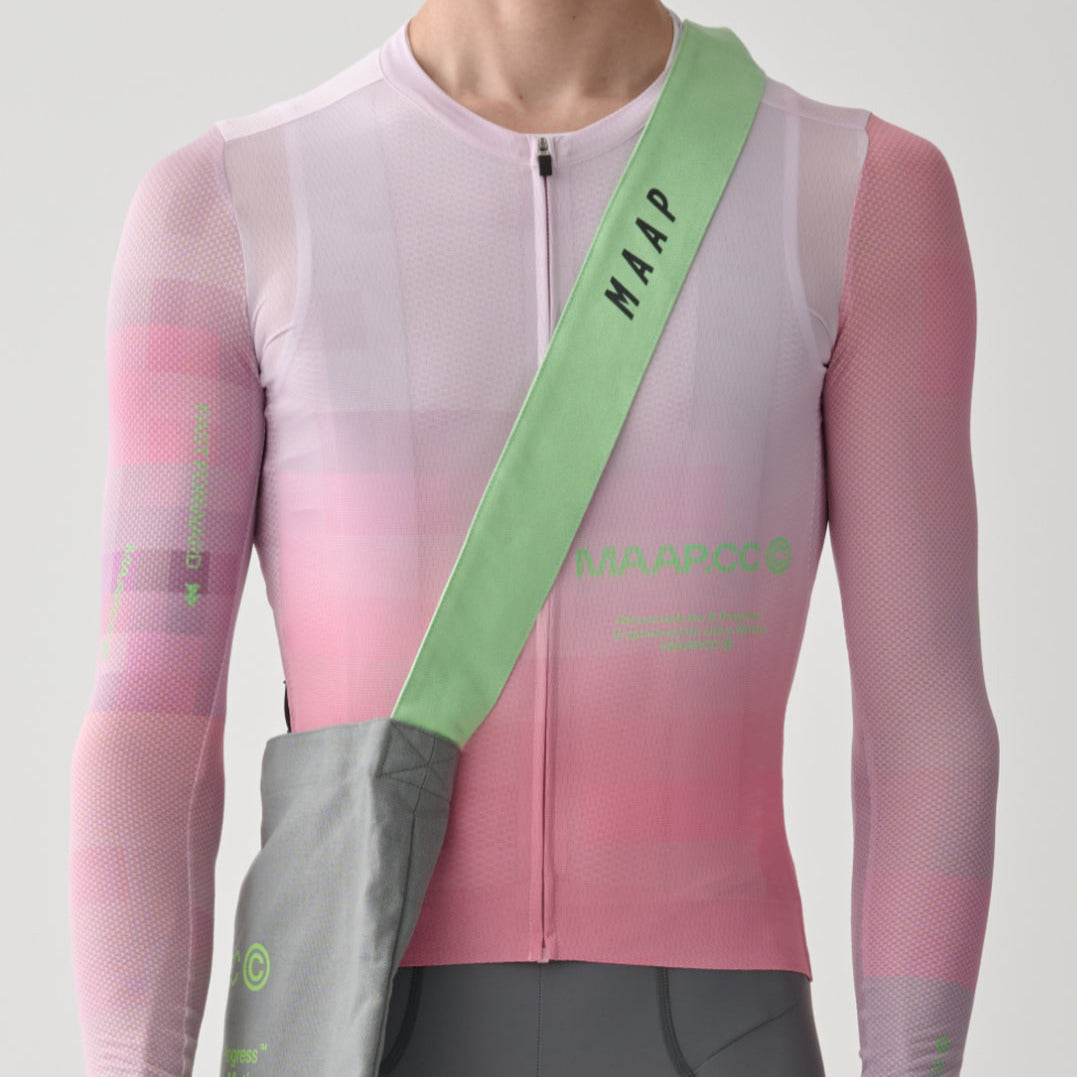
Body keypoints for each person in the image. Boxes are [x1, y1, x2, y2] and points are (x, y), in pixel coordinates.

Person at [68, 1, 1000, 1074]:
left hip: (719, 1030)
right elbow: (152, 715)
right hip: (348, 1025)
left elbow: (924, 718)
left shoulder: (859, 194)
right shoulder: (226, 207)